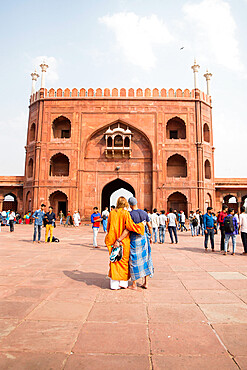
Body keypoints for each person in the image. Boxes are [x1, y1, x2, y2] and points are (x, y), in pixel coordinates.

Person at [105, 196, 145, 290]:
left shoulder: (112, 213)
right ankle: (123, 283)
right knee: (123, 261)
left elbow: (108, 227)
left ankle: (114, 285)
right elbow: (130, 227)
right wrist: (140, 226)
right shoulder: (126, 213)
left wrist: (114, 238)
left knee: (114, 261)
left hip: (112, 240)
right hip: (123, 241)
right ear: (126, 204)